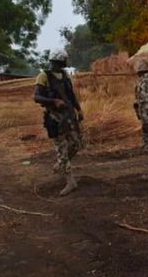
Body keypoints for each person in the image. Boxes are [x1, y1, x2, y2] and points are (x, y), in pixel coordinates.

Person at [33, 49, 84, 196]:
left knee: (76, 144)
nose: (66, 62)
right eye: (64, 60)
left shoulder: (64, 75)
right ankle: (70, 181)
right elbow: (36, 97)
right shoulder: (44, 76)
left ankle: (61, 163)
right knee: (61, 148)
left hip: (68, 115)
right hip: (54, 118)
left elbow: (71, 94)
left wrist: (79, 109)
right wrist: (54, 101)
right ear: (59, 60)